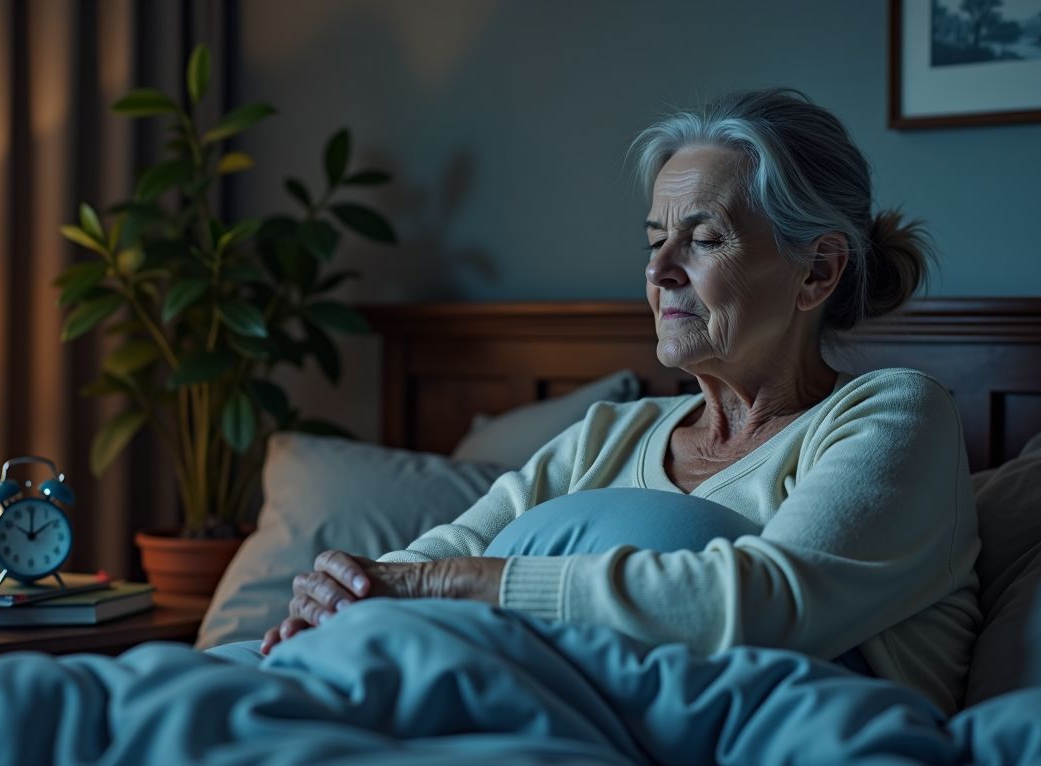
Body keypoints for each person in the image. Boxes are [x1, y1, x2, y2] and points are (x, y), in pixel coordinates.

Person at [261, 88, 980, 715]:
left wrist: (440, 586)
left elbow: (768, 604)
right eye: (655, 240)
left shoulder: (894, 415)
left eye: (703, 239)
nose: (660, 270)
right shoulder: (614, 432)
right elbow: (458, 542)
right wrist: (347, 591)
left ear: (816, 272)